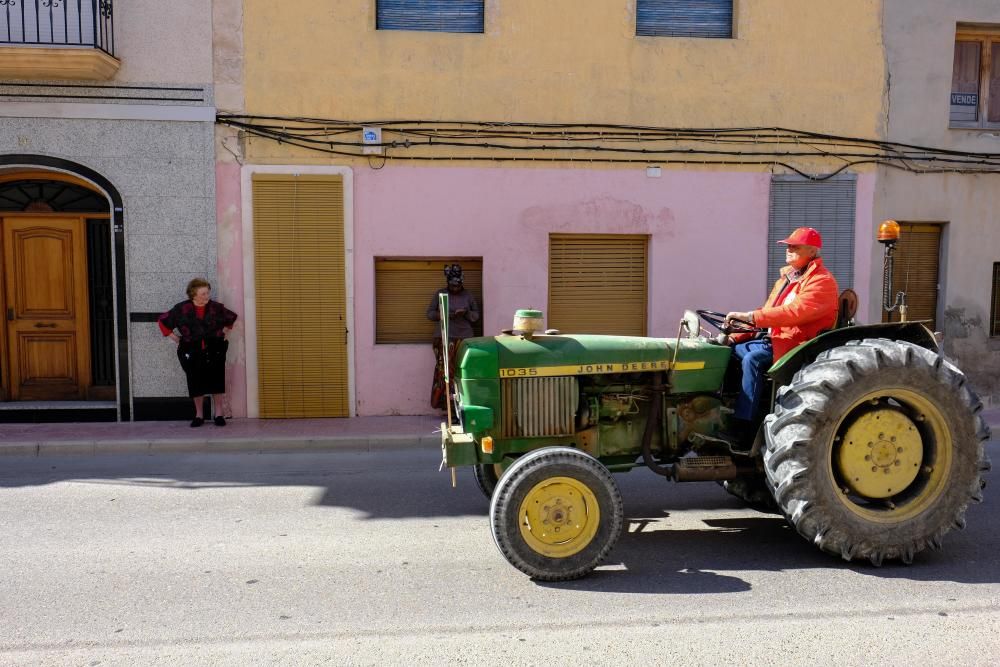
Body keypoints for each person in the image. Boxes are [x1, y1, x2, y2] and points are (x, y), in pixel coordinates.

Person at [723, 227, 839, 440]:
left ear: (812, 252)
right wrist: (734, 335)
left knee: (752, 359)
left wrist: (751, 316)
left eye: (795, 247)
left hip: (796, 345)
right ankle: (723, 407)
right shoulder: (787, 278)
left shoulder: (822, 281)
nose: (789, 250)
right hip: (773, 340)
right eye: (788, 246)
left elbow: (795, 312)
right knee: (727, 352)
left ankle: (744, 426)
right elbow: (767, 313)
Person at [158, 278, 238, 427]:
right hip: (191, 349)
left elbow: (231, 317)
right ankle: (199, 415)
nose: (207, 296)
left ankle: (219, 414)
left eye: (207, 293)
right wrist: (175, 338)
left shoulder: (216, 307)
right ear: (193, 294)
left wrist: (223, 333)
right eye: (203, 294)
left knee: (216, 380)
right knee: (195, 382)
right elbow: (162, 321)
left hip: (215, 349)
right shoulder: (181, 309)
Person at [426, 264, 480, 411]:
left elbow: (476, 316)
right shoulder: (440, 294)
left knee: (462, 370)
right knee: (445, 370)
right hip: (444, 337)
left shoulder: (468, 296)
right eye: (452, 285)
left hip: (464, 338)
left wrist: (466, 314)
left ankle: (462, 405)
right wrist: (446, 314)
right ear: (448, 283)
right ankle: (445, 405)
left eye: (458, 285)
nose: (455, 288)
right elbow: (430, 314)